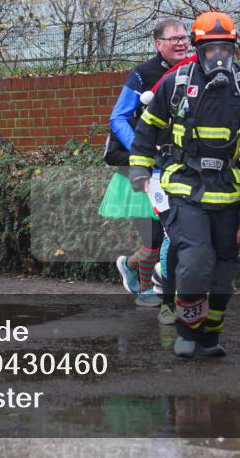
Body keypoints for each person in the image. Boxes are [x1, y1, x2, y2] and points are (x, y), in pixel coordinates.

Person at [129, 11, 240, 358]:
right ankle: (187, 330)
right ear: (198, 49)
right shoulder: (176, 82)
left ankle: (210, 334)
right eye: (211, 50)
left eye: (225, 49)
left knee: (225, 271)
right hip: (184, 186)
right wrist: (139, 169)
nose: (219, 57)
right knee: (195, 261)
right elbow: (147, 127)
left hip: (228, 191)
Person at [105, 20, 190, 311]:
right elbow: (118, 118)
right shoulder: (143, 75)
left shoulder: (196, 69)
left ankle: (151, 278)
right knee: (154, 239)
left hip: (178, 169)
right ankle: (142, 284)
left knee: (174, 234)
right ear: (158, 44)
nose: (181, 42)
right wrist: (140, 148)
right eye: (174, 38)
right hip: (146, 170)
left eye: (184, 37)